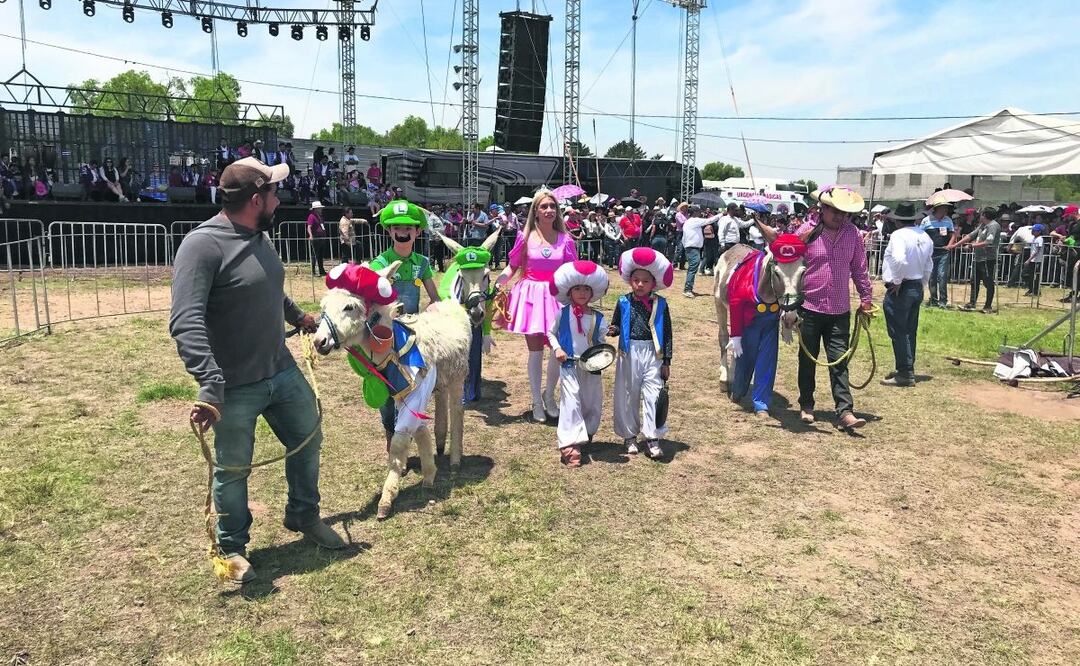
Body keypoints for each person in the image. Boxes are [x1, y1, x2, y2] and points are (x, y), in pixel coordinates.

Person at [169, 157, 346, 584]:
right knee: (232, 470)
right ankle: (232, 549)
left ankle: (303, 515)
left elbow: (270, 288)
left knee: (308, 436)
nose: (278, 198)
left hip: (280, 370)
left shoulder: (259, 236)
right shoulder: (202, 246)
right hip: (235, 385)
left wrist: (297, 316)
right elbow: (185, 320)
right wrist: (211, 385)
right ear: (255, 199)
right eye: (272, 192)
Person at [494, 190, 578, 422]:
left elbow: (572, 271)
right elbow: (512, 266)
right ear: (536, 211)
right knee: (535, 352)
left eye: (552, 206)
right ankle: (536, 401)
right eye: (544, 206)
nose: (549, 210)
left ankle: (549, 396)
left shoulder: (566, 240)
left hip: (556, 297)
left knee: (556, 351)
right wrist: (499, 282)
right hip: (530, 296)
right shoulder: (524, 237)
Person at [794, 186, 873, 430]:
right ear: (823, 209)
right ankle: (806, 404)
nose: (840, 217)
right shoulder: (806, 232)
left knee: (839, 360)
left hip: (839, 309)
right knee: (807, 359)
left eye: (844, 213)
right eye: (835, 211)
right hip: (809, 307)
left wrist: (866, 297)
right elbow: (792, 264)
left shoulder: (853, 235)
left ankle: (844, 411)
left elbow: (860, 268)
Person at [369, 200, 441, 443]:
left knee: (412, 387)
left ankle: (404, 434)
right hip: (385, 336)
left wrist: (435, 308)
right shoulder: (379, 264)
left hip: (412, 336)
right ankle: (390, 432)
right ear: (389, 231)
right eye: (397, 227)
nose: (403, 232)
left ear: (418, 232)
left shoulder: (422, 263)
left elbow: (434, 298)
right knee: (387, 388)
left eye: (409, 228)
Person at [728, 233, 808, 416]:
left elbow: (791, 288)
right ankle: (739, 389)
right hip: (750, 320)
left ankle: (761, 402)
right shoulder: (747, 283)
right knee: (745, 356)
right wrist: (736, 335)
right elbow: (735, 304)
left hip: (770, 320)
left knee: (768, 360)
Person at [608, 247, 674, 459]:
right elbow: (616, 324)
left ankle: (652, 437)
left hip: (653, 353)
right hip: (629, 352)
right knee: (629, 394)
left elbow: (667, 333)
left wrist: (667, 361)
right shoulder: (623, 301)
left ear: (653, 283)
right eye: (636, 280)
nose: (640, 285)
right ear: (630, 281)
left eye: (645, 281)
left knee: (653, 394)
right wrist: (612, 330)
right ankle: (629, 436)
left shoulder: (661, 304)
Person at [547, 260, 610, 468]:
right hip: (569, 365)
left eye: (586, 289)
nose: (582, 293)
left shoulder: (598, 318)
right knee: (571, 402)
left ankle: (587, 431)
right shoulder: (562, 313)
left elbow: (602, 340)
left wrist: (605, 346)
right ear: (569, 292)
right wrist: (557, 348)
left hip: (591, 367)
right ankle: (569, 444)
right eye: (577, 289)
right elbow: (551, 333)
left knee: (591, 401)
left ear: (592, 293)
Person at [879, 202, 933, 387]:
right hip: (916, 285)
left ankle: (904, 372)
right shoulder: (925, 236)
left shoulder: (898, 235)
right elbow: (928, 266)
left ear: (898, 220)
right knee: (910, 330)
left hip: (902, 287)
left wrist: (896, 281)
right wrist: (922, 285)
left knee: (899, 331)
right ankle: (908, 367)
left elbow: (899, 259)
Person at [950, 207, 1002, 314]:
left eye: (981, 214)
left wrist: (972, 246)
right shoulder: (983, 226)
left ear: (986, 215)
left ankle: (988, 306)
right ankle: (972, 303)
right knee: (974, 281)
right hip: (978, 258)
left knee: (988, 282)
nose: (979, 216)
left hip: (987, 259)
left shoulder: (993, 226)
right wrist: (956, 244)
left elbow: (989, 242)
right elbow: (970, 235)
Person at [680, 205, 722, 297]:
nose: (700, 213)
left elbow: (683, 238)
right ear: (694, 212)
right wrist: (720, 215)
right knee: (693, 267)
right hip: (693, 248)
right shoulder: (695, 220)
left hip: (690, 247)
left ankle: (688, 288)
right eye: (699, 211)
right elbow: (709, 221)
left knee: (692, 268)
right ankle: (687, 289)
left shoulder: (688, 222)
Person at [920, 203, 957, 309]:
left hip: (943, 252)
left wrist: (950, 245)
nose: (946, 210)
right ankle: (933, 299)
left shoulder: (948, 220)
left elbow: (953, 234)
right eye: (943, 208)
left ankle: (943, 301)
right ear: (937, 209)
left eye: (946, 208)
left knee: (942, 276)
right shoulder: (926, 220)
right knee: (932, 276)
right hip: (931, 253)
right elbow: (921, 234)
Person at [307, 201, 329, 277]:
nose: (321, 209)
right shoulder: (311, 216)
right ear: (315, 209)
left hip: (322, 237)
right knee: (315, 255)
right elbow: (309, 226)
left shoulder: (320, 216)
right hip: (316, 237)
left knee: (320, 255)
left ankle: (321, 270)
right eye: (319, 208)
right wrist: (311, 235)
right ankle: (313, 271)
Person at [1024, 224, 1046, 297]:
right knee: (1030, 276)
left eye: (1034, 230)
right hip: (1032, 260)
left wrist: (1029, 259)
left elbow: (1037, 250)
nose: (1032, 232)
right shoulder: (1034, 238)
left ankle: (1036, 291)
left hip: (1037, 260)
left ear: (1039, 232)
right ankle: (1031, 289)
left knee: (1035, 277)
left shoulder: (1040, 239)